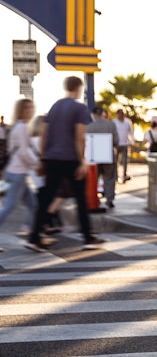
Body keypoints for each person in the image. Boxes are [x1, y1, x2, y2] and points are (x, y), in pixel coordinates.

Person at [25, 76, 106, 252]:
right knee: (81, 199)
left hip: (52, 159)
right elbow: (79, 137)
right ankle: (88, 238)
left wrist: (42, 159)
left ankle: (34, 237)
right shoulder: (79, 108)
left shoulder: (55, 107)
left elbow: (45, 134)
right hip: (70, 159)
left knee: (46, 198)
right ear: (78, 87)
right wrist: (82, 161)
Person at [0, 99, 38, 247]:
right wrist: (37, 165)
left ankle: (33, 236)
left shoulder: (17, 126)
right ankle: (34, 237)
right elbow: (23, 152)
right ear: (21, 110)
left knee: (33, 204)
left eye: (31, 107)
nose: (30, 110)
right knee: (9, 207)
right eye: (27, 108)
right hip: (17, 174)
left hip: (15, 172)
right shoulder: (21, 127)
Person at [87, 107, 119, 208]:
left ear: (93, 115)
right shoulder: (111, 125)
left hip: (93, 157)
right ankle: (109, 199)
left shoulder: (89, 126)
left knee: (94, 179)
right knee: (109, 178)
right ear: (102, 113)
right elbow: (116, 141)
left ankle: (95, 199)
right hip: (108, 155)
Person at [114, 109, 134, 182]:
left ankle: (124, 175)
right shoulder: (114, 122)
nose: (121, 116)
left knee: (125, 160)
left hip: (125, 144)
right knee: (116, 161)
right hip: (116, 144)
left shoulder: (127, 122)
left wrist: (132, 142)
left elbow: (130, 133)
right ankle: (116, 176)